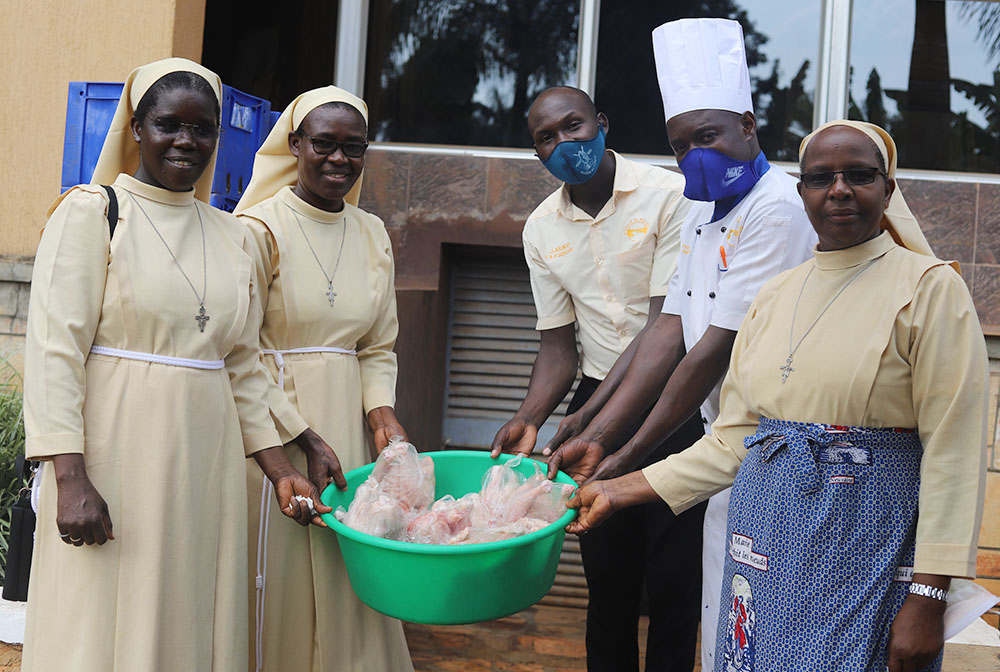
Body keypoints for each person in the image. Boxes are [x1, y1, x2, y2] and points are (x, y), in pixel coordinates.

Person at [566, 120, 988, 672]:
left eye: (859, 175)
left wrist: (928, 596)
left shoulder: (931, 289)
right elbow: (735, 440)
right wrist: (619, 490)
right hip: (762, 558)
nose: (839, 189)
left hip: (867, 559)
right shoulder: (774, 294)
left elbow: (954, 453)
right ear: (802, 192)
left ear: (888, 189)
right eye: (820, 178)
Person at [21, 58, 326, 672]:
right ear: (136, 128)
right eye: (168, 125)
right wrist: (70, 479)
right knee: (102, 613)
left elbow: (240, 364)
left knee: (191, 611)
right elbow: (54, 352)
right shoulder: (93, 213)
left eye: (203, 128)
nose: (187, 141)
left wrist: (279, 463)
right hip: (112, 459)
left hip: (203, 469)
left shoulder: (233, 233)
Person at [545, 19, 816, 670]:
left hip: (777, 449)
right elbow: (668, 328)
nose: (696, 155)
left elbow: (711, 349)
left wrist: (626, 460)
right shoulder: (699, 208)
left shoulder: (776, 208)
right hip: (724, 441)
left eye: (709, 136)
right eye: (681, 143)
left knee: (756, 621)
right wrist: (592, 426)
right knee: (723, 616)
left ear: (747, 127)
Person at [489, 84, 700, 671]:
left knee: (675, 580)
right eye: (547, 138)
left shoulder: (668, 195)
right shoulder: (541, 229)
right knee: (608, 580)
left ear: (602, 123)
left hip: (675, 404)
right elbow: (558, 347)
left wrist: (589, 423)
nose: (565, 142)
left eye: (573, 125)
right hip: (597, 395)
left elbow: (666, 329)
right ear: (537, 155)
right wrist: (529, 418)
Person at [234, 86, 413, 672]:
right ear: (295, 146)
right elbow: (244, 349)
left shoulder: (371, 232)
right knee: (280, 574)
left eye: (353, 148)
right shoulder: (257, 228)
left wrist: (379, 411)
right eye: (325, 144)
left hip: (347, 434)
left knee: (345, 573)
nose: (339, 159)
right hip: (272, 433)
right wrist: (301, 436)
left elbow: (377, 344)